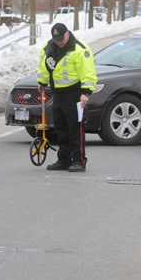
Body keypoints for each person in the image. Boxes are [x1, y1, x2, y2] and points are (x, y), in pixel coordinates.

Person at [37, 23, 97, 172]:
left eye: (61, 38)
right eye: (56, 38)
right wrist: (42, 81)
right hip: (58, 93)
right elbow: (45, 65)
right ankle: (64, 159)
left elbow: (88, 72)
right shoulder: (49, 47)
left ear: (68, 34)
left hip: (74, 93)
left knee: (75, 129)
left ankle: (78, 160)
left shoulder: (79, 49)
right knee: (61, 129)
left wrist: (86, 92)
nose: (59, 42)